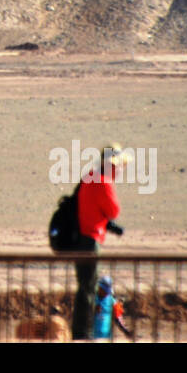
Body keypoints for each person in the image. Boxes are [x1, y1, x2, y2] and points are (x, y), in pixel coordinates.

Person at [72, 143, 129, 339]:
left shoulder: (90, 176)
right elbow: (114, 210)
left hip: (80, 238)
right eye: (119, 166)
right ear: (112, 165)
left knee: (85, 287)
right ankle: (83, 333)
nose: (121, 170)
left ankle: (82, 331)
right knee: (88, 288)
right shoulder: (103, 182)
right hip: (90, 240)